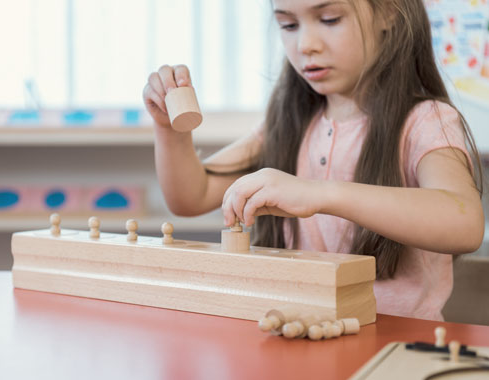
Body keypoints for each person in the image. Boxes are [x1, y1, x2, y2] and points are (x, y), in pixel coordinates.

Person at [142, 0, 484, 321]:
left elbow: (465, 224)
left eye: (330, 19)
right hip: (298, 336)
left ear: (388, 12)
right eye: (288, 25)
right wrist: (169, 130)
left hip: (392, 345)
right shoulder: (287, 124)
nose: (305, 44)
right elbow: (191, 196)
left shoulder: (426, 121)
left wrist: (319, 194)